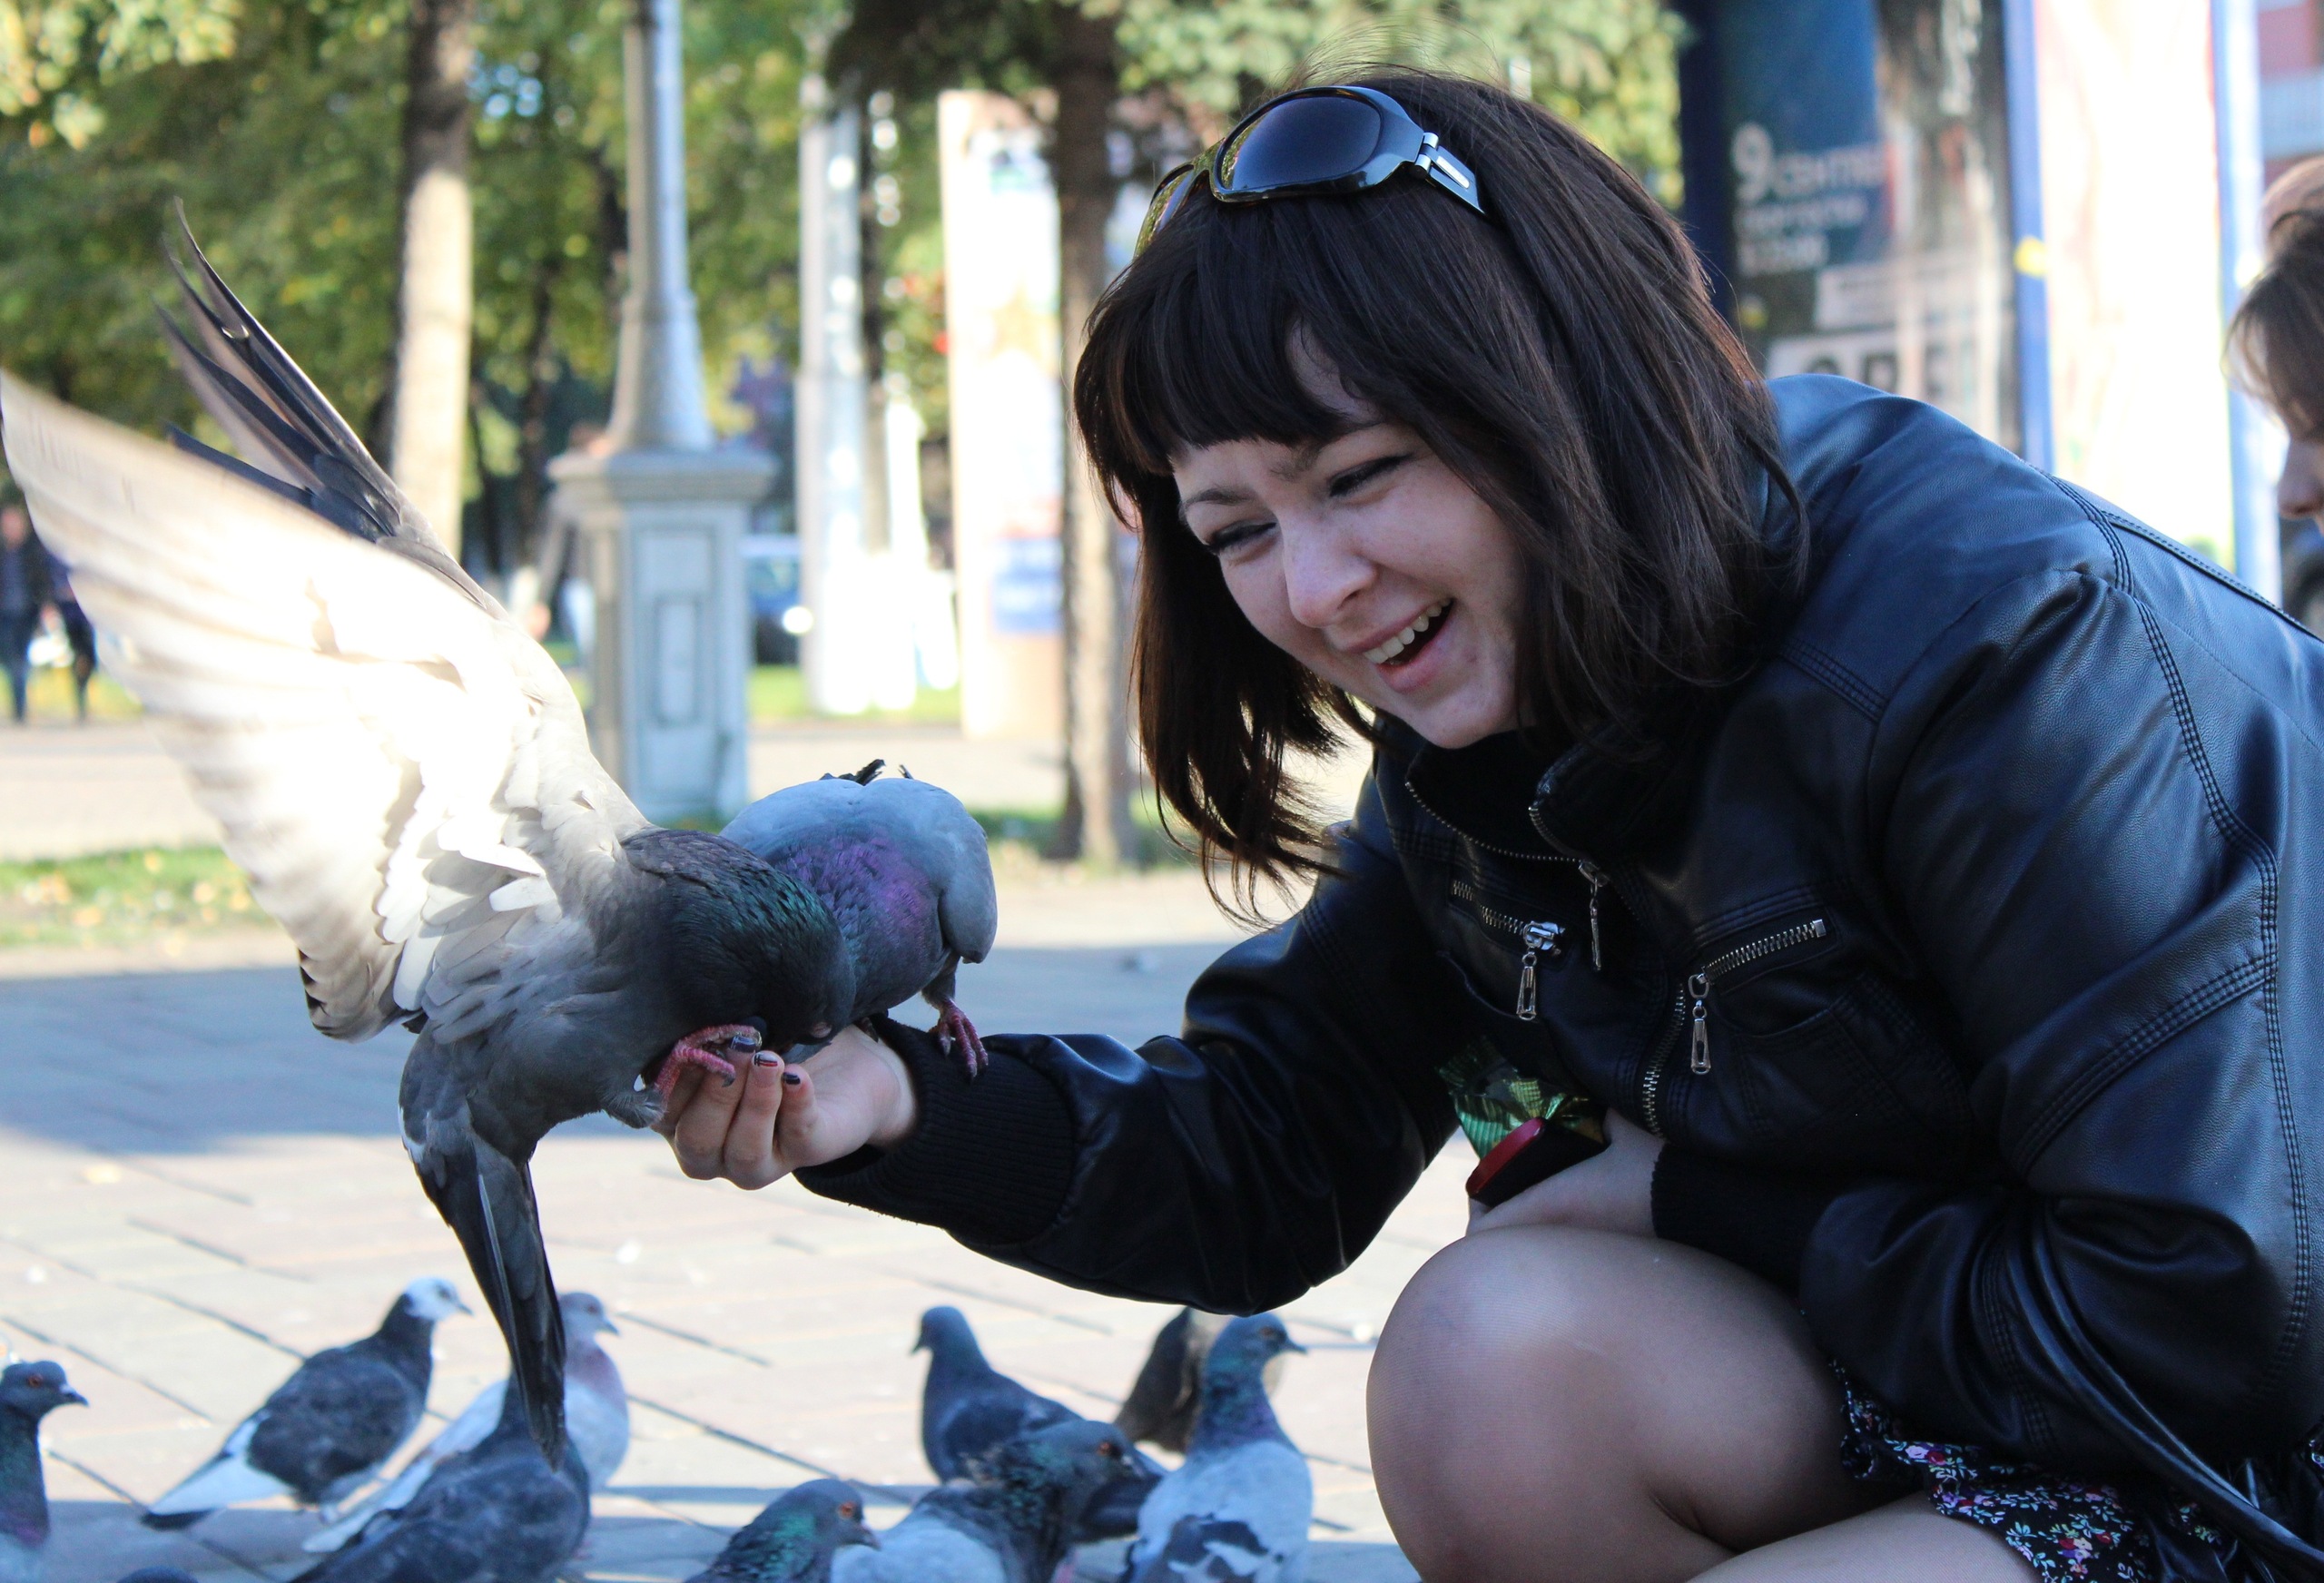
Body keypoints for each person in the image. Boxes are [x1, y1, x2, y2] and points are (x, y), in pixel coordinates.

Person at [662, 73, 2324, 1583]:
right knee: (1490, 1364)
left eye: (1361, 473)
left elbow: (2213, 1313)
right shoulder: (1509, 713)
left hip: (2254, 1454)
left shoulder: (2002, 651)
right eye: (1236, 529)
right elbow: (1274, 1144)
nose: (1315, 587)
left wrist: (1695, 1203)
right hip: (2001, 1406)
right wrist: (899, 1104)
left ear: (1563, 385)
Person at [0, 499, 53, 723]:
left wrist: (46, 605)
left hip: (26, 612)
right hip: (4, 614)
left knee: (20, 658)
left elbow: (43, 582)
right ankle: (19, 703)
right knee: (11, 659)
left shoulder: (33, 552)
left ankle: (20, 706)